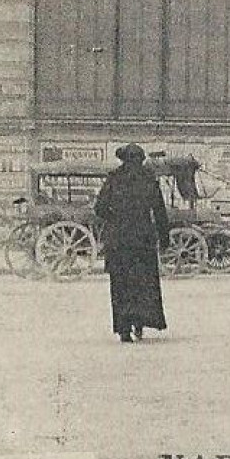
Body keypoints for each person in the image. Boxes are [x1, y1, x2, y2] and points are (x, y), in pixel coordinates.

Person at [93, 143, 169, 342]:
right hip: (142, 239)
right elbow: (160, 211)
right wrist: (164, 237)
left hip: (118, 240)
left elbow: (99, 208)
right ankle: (139, 323)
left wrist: (115, 218)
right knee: (143, 284)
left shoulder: (114, 178)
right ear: (141, 159)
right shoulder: (148, 179)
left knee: (120, 285)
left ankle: (123, 329)